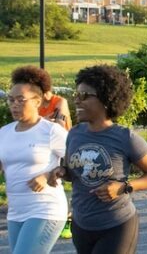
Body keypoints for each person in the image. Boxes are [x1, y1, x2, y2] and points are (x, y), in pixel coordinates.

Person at [48, 64, 147, 254]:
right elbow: (73, 171)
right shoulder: (75, 134)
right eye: (76, 95)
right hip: (81, 225)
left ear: (106, 100)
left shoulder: (125, 137)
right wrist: (61, 172)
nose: (77, 101)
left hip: (116, 225)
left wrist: (123, 187)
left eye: (84, 96)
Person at [1, 66, 69, 254]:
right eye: (11, 99)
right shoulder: (4, 133)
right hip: (15, 212)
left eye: (20, 100)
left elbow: (76, 162)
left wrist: (48, 174)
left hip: (46, 209)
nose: (14, 104)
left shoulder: (51, 131)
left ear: (38, 101)